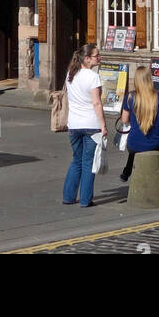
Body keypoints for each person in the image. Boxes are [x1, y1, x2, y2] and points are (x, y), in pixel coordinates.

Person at [61, 43, 108, 208]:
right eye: (97, 56)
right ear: (87, 59)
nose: (99, 58)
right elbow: (96, 103)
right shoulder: (93, 76)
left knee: (76, 160)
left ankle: (68, 196)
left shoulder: (70, 74)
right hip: (91, 124)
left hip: (74, 124)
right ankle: (85, 199)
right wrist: (103, 125)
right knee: (88, 162)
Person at [118, 66, 159, 182]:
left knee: (136, 143)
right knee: (144, 142)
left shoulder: (130, 97)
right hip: (155, 144)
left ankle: (127, 171)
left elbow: (124, 120)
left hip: (133, 144)